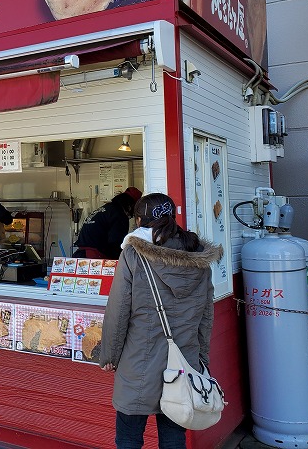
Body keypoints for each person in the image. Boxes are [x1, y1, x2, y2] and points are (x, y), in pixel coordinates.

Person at [99, 193, 223, 449]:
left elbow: (119, 310)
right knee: (174, 435)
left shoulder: (134, 253)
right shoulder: (197, 254)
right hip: (184, 360)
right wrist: (201, 357)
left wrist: (109, 355)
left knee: (129, 437)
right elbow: (205, 314)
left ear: (139, 220)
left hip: (138, 362)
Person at [73, 187, 142, 259]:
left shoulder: (106, 209)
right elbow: (116, 243)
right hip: (95, 257)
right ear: (131, 206)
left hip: (81, 255)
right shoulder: (119, 215)